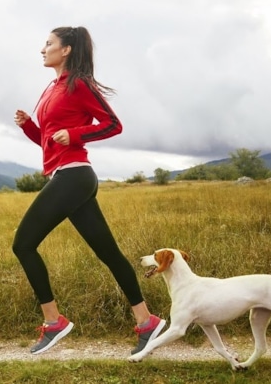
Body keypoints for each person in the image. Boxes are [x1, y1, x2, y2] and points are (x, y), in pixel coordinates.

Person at [12, 26, 166, 356]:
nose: (43, 49)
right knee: (109, 254)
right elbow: (48, 141)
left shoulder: (78, 83)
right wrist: (29, 125)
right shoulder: (51, 88)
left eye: (49, 43)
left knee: (23, 245)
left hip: (74, 176)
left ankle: (54, 323)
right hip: (64, 175)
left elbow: (112, 124)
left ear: (66, 49)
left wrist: (77, 134)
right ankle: (147, 322)